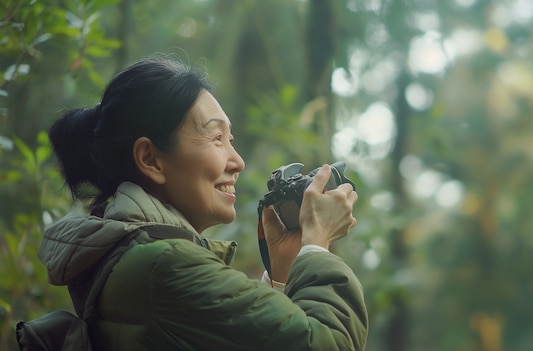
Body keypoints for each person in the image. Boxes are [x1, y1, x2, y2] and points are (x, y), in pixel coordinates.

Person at [39, 56, 368, 350]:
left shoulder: (132, 254)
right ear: (151, 159)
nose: (237, 161)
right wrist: (317, 244)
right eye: (216, 138)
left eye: (231, 141)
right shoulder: (166, 265)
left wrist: (283, 272)